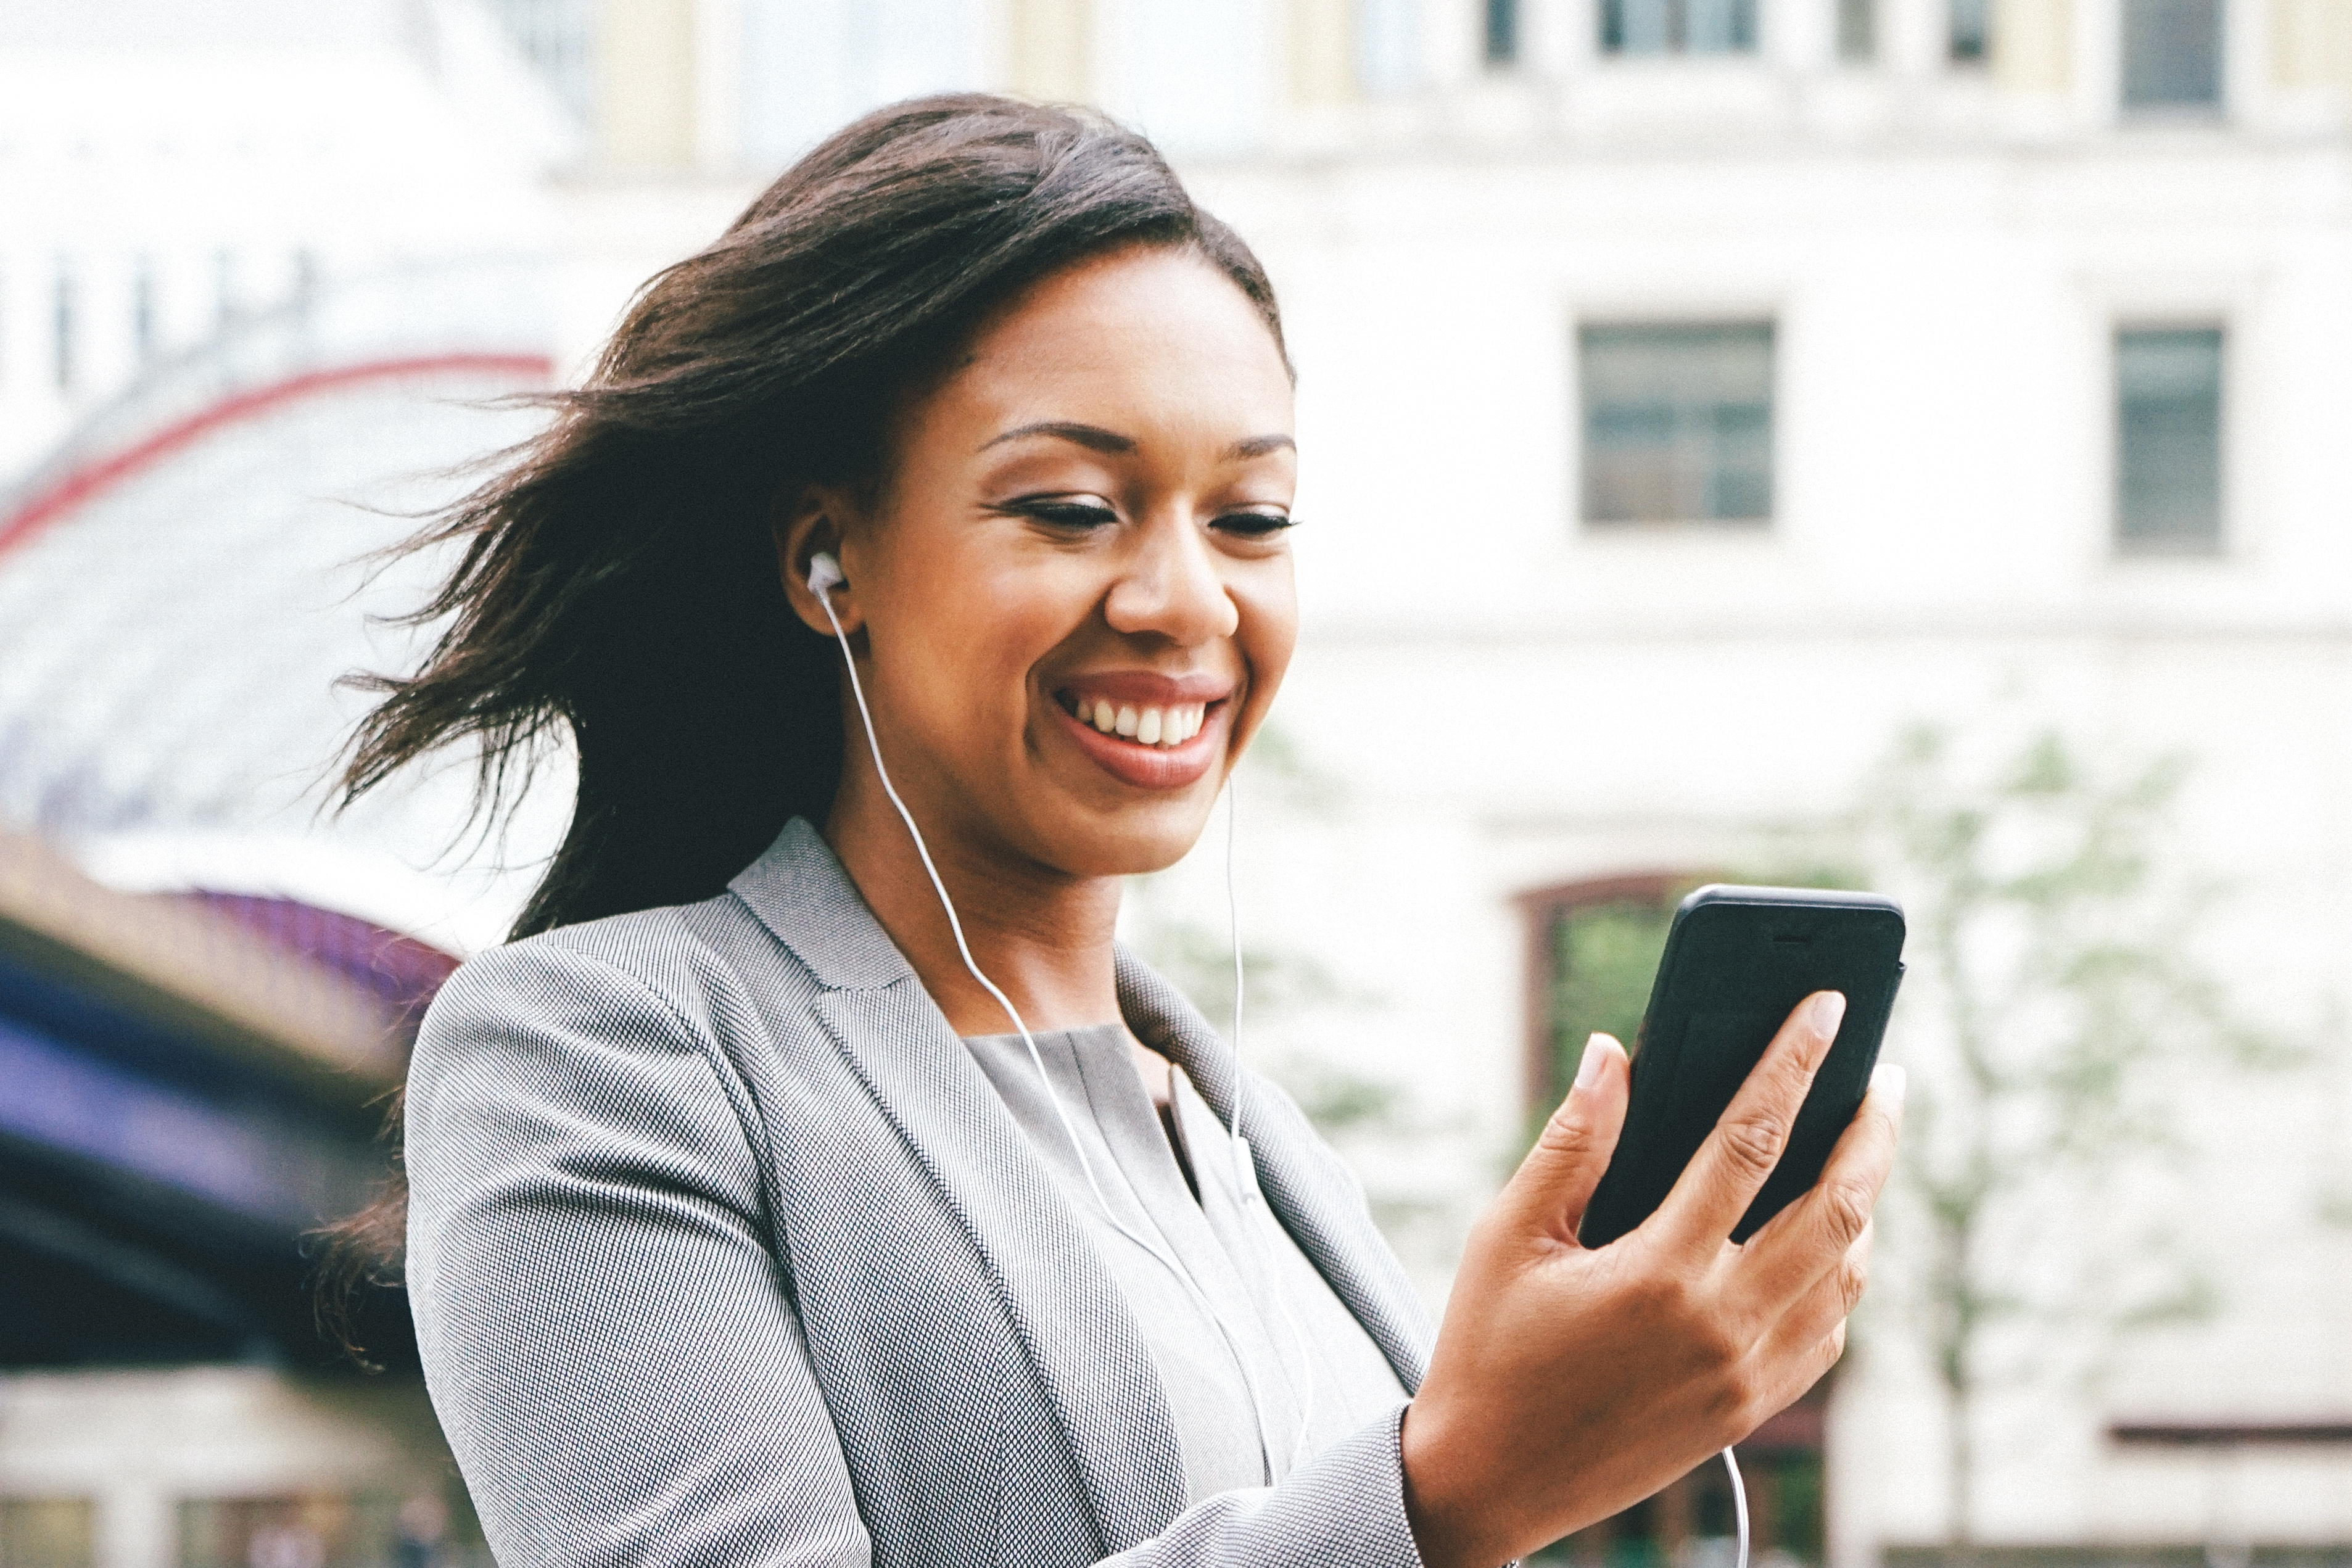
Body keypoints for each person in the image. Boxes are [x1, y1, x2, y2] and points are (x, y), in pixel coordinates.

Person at [342, 94, 1902, 1568]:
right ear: (829, 559)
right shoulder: (597, 1055)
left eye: (1250, 518)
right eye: (1073, 508)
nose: (1184, 601)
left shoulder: (1257, 1146)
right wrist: (1453, 1485)